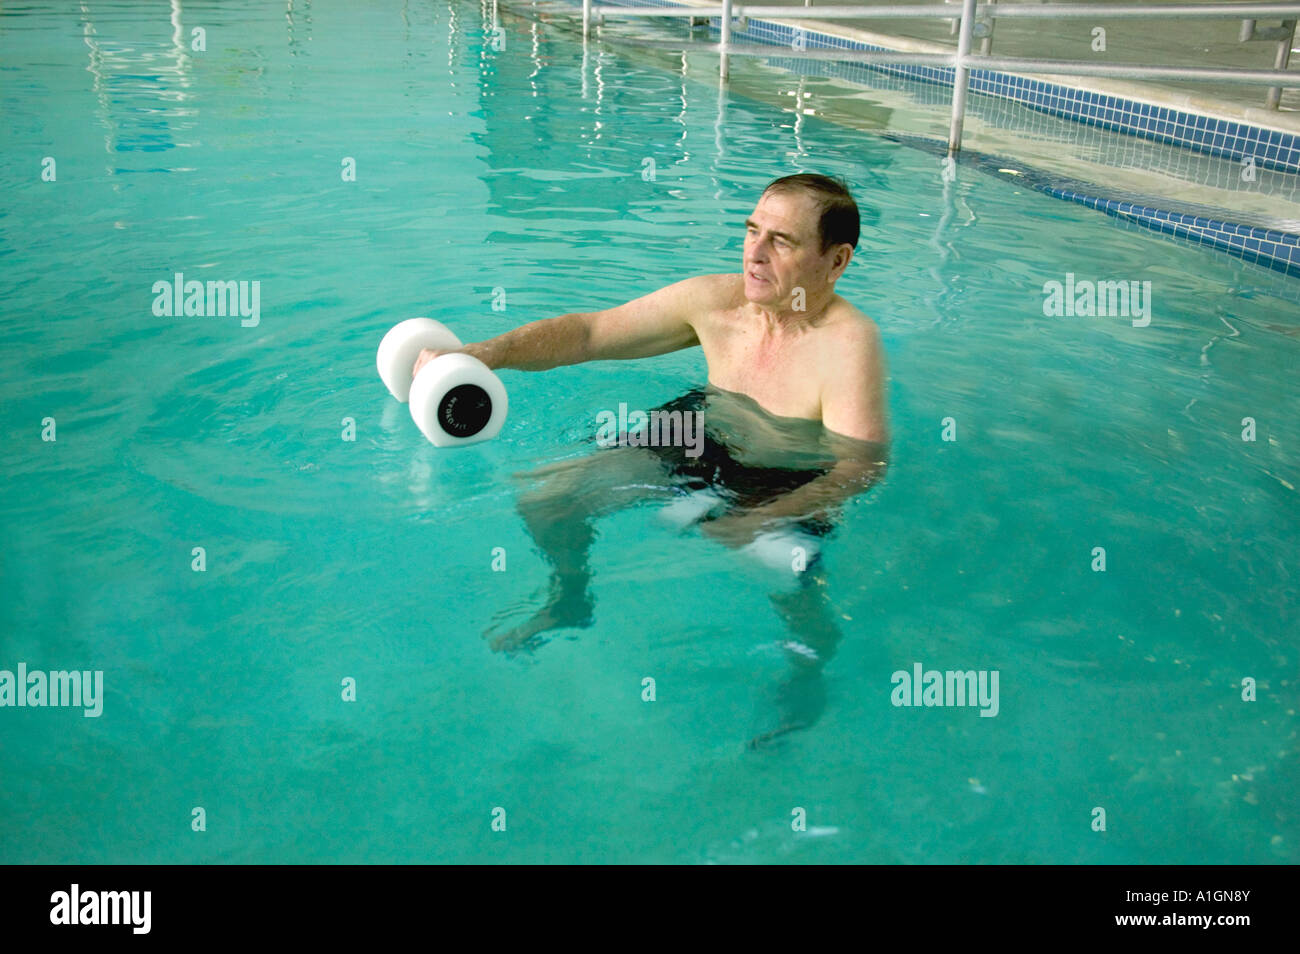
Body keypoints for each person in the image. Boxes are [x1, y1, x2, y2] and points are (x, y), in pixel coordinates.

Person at [414, 173, 890, 746]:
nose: (755, 254)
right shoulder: (717, 303)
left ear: (835, 261)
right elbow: (589, 334)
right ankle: (570, 598)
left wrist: (765, 517)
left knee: (793, 589)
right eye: (751, 231)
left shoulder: (849, 346)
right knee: (548, 499)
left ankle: (807, 677)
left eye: (781, 241)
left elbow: (860, 466)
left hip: (785, 474)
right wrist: (482, 354)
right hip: (704, 431)